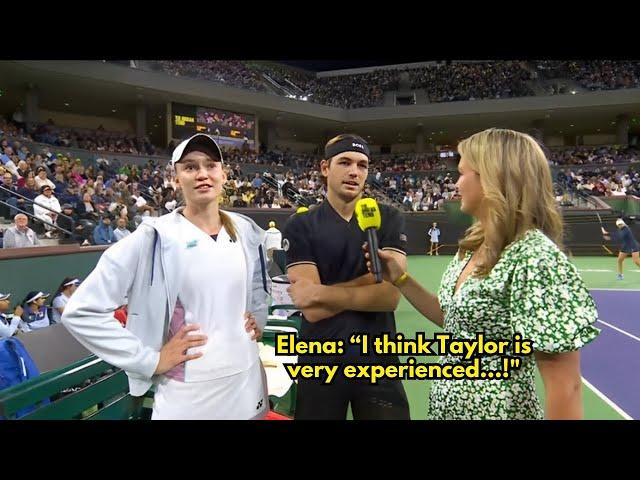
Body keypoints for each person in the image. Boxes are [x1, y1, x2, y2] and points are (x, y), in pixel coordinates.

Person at [364, 128, 600, 419]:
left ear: (494, 178)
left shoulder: (534, 257)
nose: (455, 183)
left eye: (463, 173)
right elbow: (455, 319)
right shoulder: (472, 245)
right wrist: (401, 278)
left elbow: (565, 386)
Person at [62, 133, 271, 420]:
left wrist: (258, 315)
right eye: (190, 167)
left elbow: (259, 279)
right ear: (175, 178)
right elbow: (80, 311)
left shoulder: (244, 228)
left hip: (247, 384)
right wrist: (150, 360)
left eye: (210, 165)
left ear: (224, 174)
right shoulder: (154, 237)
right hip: (189, 395)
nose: (202, 174)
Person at [283, 133, 410, 420]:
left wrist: (320, 291)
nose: (355, 171)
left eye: (363, 165)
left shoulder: (389, 217)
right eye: (345, 162)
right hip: (320, 362)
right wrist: (370, 283)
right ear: (325, 168)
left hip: (379, 361)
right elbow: (312, 311)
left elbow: (390, 296)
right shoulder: (301, 224)